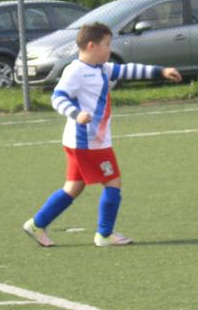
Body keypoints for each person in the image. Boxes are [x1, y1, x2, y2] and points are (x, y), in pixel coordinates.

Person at [23, 22, 182, 247]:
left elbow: (127, 70)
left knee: (73, 187)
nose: (110, 49)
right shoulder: (76, 71)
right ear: (91, 46)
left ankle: (37, 224)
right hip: (89, 143)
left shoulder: (101, 68)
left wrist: (161, 71)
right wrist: (76, 114)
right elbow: (57, 98)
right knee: (113, 182)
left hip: (82, 142)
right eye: (106, 44)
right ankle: (104, 234)